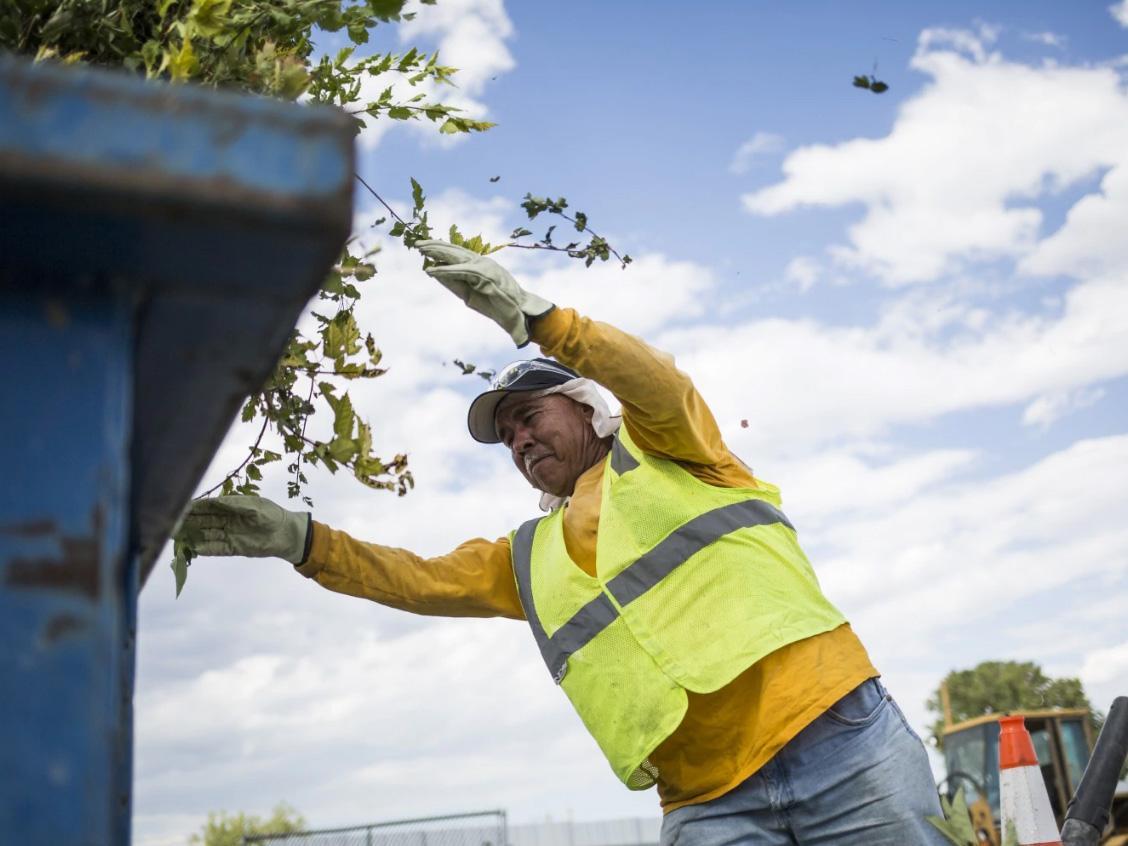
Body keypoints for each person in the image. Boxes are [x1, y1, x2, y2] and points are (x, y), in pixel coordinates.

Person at [178, 241, 947, 845]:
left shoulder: (671, 450)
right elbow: (411, 579)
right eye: (505, 434)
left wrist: (541, 320)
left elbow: (656, 382)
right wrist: (298, 539)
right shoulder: (523, 560)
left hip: (836, 739)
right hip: (707, 803)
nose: (517, 438)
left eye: (528, 415)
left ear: (583, 407)